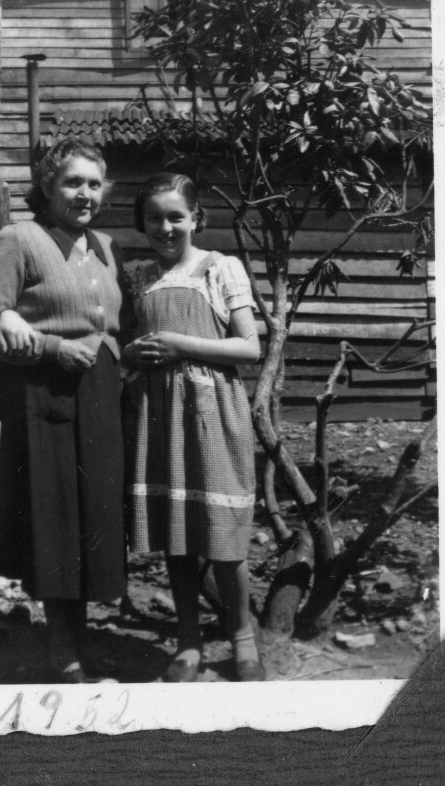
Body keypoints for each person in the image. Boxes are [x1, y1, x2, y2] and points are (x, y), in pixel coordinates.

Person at [0, 137, 132, 684]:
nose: (83, 193)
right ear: (47, 185)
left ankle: (81, 639)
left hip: (102, 395)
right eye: (71, 182)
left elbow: (116, 324)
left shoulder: (107, 246)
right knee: (56, 518)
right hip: (44, 395)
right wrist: (50, 348)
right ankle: (60, 648)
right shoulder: (20, 239)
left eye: (93, 183)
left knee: (93, 518)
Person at [122, 172, 263, 682]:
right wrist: (131, 353)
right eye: (154, 217)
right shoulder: (136, 277)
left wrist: (181, 344)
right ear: (142, 223)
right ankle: (187, 640)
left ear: (196, 218)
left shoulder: (218, 268)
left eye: (176, 216)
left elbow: (250, 348)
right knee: (176, 534)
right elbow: (122, 346)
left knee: (223, 535)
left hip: (212, 413)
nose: (165, 227)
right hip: (158, 416)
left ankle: (242, 637)